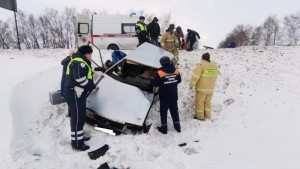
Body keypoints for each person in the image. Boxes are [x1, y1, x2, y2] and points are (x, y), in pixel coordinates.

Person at [64, 45, 99, 151]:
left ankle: (79, 138)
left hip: (76, 93)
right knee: (77, 118)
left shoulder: (79, 61)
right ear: (85, 54)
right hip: (74, 93)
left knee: (80, 116)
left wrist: (92, 86)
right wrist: (90, 86)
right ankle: (77, 143)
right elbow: (80, 79)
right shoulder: (79, 62)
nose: (91, 56)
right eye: (90, 54)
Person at [152, 56, 182, 134]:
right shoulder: (176, 70)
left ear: (161, 63)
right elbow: (179, 80)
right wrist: (172, 82)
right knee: (174, 111)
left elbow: (155, 83)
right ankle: (178, 127)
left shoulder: (160, 72)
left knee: (164, 112)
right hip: (173, 95)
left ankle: (164, 129)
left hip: (164, 96)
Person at [189, 53, 217, 121]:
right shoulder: (214, 66)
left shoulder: (201, 65)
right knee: (207, 103)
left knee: (199, 102)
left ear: (202, 58)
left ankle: (200, 117)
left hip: (202, 89)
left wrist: (191, 85)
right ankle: (207, 115)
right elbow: (215, 77)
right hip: (210, 89)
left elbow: (195, 76)